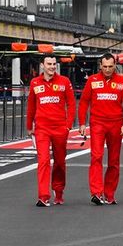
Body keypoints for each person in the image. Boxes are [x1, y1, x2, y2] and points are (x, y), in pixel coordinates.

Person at [78, 53, 123, 205]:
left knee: (114, 161)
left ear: (115, 65)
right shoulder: (92, 80)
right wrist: (82, 123)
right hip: (97, 123)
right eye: (105, 66)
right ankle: (96, 192)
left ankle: (109, 194)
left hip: (116, 124)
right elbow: (83, 102)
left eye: (110, 66)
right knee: (96, 156)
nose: (108, 69)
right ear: (100, 66)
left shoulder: (122, 81)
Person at [26, 54, 76, 207]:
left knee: (60, 162)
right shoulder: (35, 83)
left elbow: (72, 104)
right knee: (43, 161)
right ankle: (43, 196)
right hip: (42, 129)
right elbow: (31, 107)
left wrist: (68, 126)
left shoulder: (64, 82)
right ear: (43, 65)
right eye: (49, 64)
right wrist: (29, 126)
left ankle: (58, 191)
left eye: (54, 64)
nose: (52, 67)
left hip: (60, 128)